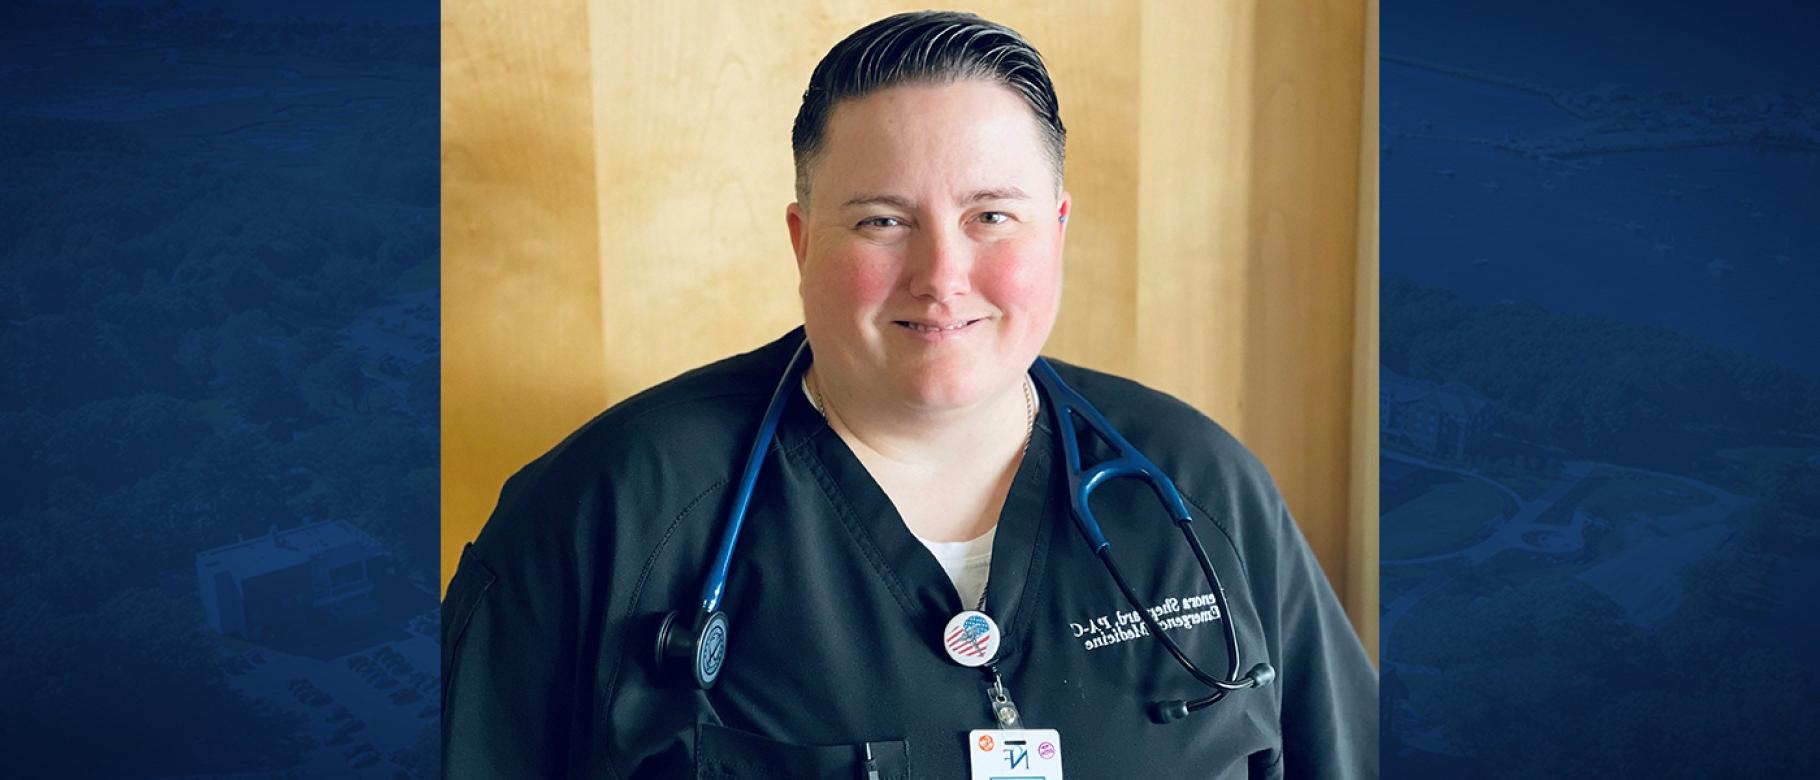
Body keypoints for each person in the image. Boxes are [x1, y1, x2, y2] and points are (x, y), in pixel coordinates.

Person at [443, 11, 1376, 778]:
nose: (942, 274)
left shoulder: (1200, 487)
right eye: (883, 220)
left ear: (1055, 232)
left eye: (991, 217)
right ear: (805, 242)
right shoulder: (604, 514)